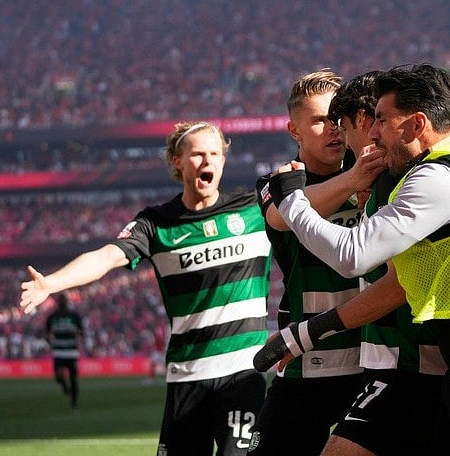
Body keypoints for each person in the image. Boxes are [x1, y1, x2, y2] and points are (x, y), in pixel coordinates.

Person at [261, 64, 450, 455]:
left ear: (417, 123)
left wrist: (294, 203)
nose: (374, 132)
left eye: (383, 121)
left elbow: (353, 255)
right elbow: (399, 282)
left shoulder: (433, 178)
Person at [20, 121, 272, 456]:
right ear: (177, 161)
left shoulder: (254, 209)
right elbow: (107, 256)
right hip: (187, 377)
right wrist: (52, 282)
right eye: (197, 154)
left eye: (215, 154)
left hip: (243, 373)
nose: (207, 161)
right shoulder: (156, 224)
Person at [251, 70, 369, 456]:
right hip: (307, 360)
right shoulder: (276, 182)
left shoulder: (376, 177)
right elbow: (283, 215)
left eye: (339, 118)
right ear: (294, 130)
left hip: (371, 358)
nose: (334, 129)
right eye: (319, 120)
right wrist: (354, 180)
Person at [46, 292, 84, 409]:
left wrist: (78, 342)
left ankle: (74, 404)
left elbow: (81, 332)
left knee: (73, 379)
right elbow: (47, 333)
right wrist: (51, 344)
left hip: (71, 352)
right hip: (59, 351)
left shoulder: (74, 316)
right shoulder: (52, 317)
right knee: (58, 377)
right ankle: (65, 388)